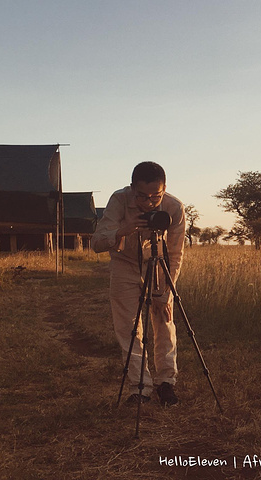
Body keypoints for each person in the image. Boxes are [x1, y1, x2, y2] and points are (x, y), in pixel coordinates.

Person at [91, 161, 186, 406]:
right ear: (132, 188)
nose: (150, 202)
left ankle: (166, 382)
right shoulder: (119, 200)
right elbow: (97, 242)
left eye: (156, 196)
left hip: (158, 265)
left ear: (165, 188)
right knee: (129, 328)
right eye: (142, 196)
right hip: (124, 265)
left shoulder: (174, 207)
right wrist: (122, 231)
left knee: (164, 321)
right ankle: (140, 387)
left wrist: (165, 292)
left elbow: (175, 254)